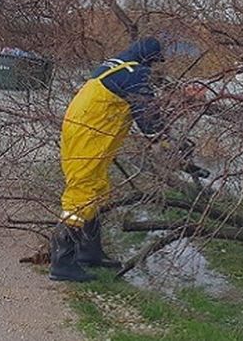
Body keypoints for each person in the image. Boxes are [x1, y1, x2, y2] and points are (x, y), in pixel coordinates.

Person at [49, 36, 169, 283]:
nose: (154, 68)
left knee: (98, 188)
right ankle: (62, 262)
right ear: (149, 59)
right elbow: (149, 122)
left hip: (83, 130)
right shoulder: (136, 73)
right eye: (155, 63)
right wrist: (168, 145)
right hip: (88, 136)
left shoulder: (116, 65)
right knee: (81, 193)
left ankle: (89, 252)